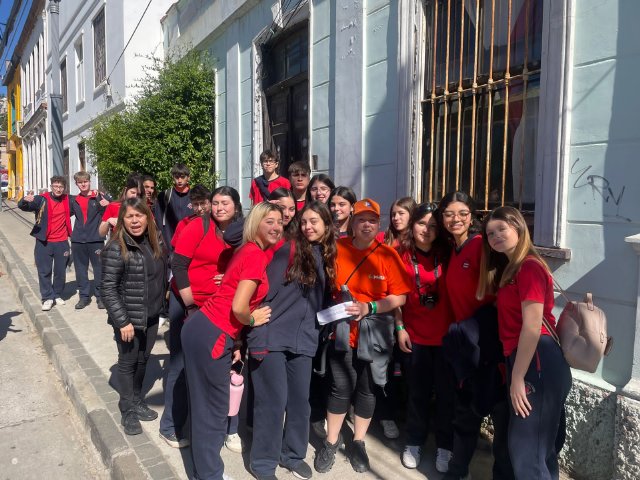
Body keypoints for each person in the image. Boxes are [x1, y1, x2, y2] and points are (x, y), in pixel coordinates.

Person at [181, 202, 283, 480]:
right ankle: (210, 474)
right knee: (213, 410)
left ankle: (204, 471)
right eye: (269, 221)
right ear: (256, 223)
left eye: (279, 222)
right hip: (212, 332)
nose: (276, 227)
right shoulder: (255, 255)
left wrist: (236, 341)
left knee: (204, 405)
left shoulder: (247, 250)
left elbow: (228, 293)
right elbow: (239, 307)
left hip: (205, 329)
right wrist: (251, 320)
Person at [315, 198, 411, 474]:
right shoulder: (337, 250)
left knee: (367, 390)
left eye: (372, 220)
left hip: (375, 333)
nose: (367, 225)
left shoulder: (387, 255)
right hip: (342, 332)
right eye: (361, 220)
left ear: (378, 224)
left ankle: (357, 442)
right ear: (352, 223)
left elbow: (400, 296)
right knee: (339, 388)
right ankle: (331, 442)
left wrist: (371, 307)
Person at [477, 206, 571, 480]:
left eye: (501, 229)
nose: (495, 236)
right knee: (540, 453)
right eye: (490, 233)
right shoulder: (512, 268)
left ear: (518, 228)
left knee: (527, 454)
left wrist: (517, 377)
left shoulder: (528, 267)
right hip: (530, 360)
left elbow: (532, 326)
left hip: (536, 360)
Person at [249, 201, 337, 480]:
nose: (308, 227)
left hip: (304, 340)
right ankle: (263, 463)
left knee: (300, 402)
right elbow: (260, 294)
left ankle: (292, 455)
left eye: (314, 221)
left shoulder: (327, 255)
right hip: (272, 337)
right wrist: (255, 335)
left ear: (326, 225)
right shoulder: (289, 250)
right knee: (272, 403)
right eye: (305, 221)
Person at [160, 186, 242, 451]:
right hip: (188, 302)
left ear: (236, 206)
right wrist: (190, 306)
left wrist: (228, 276)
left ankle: (225, 427)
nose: (219, 208)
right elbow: (178, 264)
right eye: (215, 203)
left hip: (220, 306)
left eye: (225, 203)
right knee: (182, 364)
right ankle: (171, 425)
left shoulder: (241, 232)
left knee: (224, 366)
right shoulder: (198, 226)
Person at [438, 191, 513, 480]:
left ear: (472, 217)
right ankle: (458, 472)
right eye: (449, 214)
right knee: (465, 415)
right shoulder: (453, 250)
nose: (455, 219)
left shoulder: (483, 246)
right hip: (465, 348)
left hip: (490, 346)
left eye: (462, 213)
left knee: (500, 419)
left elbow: (503, 291)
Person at [395, 203, 455, 471]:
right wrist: (400, 328)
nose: (427, 230)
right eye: (421, 224)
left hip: (446, 338)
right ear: (412, 225)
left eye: (433, 225)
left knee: (446, 395)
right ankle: (414, 441)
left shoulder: (448, 253)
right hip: (415, 337)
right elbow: (394, 294)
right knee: (417, 395)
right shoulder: (401, 254)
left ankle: (445, 446)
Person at [101, 198, 167, 436]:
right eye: (130, 216)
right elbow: (107, 288)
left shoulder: (154, 242)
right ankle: (127, 409)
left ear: (147, 218)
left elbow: (161, 274)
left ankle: (137, 400)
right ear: (122, 219)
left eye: (139, 215)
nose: (135, 221)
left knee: (143, 360)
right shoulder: (116, 247)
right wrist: (123, 321)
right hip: (128, 319)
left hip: (151, 316)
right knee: (128, 363)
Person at [18, 175, 73, 311]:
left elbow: (84, 199)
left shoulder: (68, 199)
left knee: (60, 271)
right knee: (44, 271)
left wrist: (97, 194)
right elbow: (24, 206)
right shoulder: (42, 199)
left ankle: (57, 294)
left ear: (64, 188)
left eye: (61, 187)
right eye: (56, 186)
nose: (58, 189)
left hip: (62, 242)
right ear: (51, 186)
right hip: (44, 242)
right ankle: (47, 297)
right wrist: (24, 200)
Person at [70, 171, 111, 310]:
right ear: (76, 184)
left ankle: (100, 297)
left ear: (89, 182)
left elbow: (115, 206)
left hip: (96, 239)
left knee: (99, 269)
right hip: (78, 240)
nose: (83, 184)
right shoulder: (74, 200)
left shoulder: (99, 197)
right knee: (80, 270)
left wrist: (108, 203)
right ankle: (84, 297)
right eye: (80, 182)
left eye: (85, 182)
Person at [154, 163, 194, 247]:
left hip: (190, 244)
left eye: (182, 177)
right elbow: (158, 221)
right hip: (168, 246)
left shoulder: (194, 197)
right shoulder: (164, 196)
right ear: (173, 177)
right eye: (176, 177)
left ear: (188, 177)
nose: (179, 180)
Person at [170, 184, 212, 249]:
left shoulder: (219, 221)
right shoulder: (184, 223)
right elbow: (175, 247)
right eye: (195, 204)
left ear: (210, 202)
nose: (199, 208)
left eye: (202, 203)